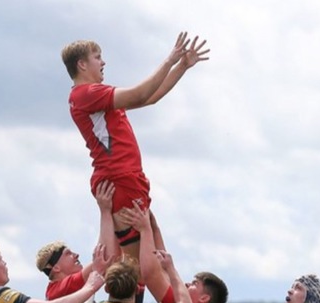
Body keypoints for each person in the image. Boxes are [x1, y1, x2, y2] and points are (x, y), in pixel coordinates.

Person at [61, 31, 210, 261]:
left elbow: (148, 98)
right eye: (97, 57)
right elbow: (140, 94)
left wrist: (182, 66)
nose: (103, 62)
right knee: (137, 263)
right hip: (120, 177)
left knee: (153, 250)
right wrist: (170, 60)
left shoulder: (94, 95)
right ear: (82, 64)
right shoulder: (87, 93)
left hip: (126, 176)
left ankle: (165, 297)